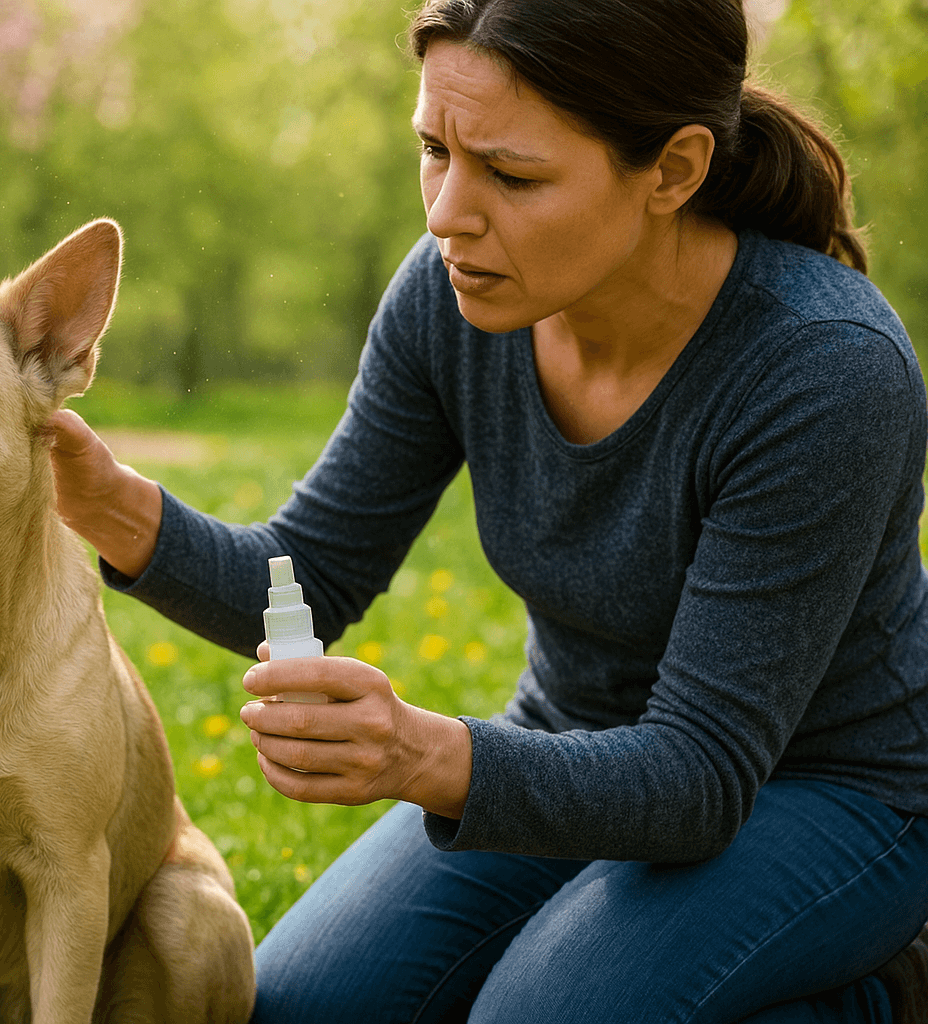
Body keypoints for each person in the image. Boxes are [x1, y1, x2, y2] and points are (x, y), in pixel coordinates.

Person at [45, 0, 928, 1021]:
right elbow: (309, 574)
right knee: (298, 1011)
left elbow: (699, 772)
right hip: (571, 742)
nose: (447, 213)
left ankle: (881, 990)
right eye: (434, 149)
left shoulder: (821, 370)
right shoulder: (450, 295)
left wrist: (426, 754)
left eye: (511, 175)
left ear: (674, 170)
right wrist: (111, 506)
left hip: (828, 793)